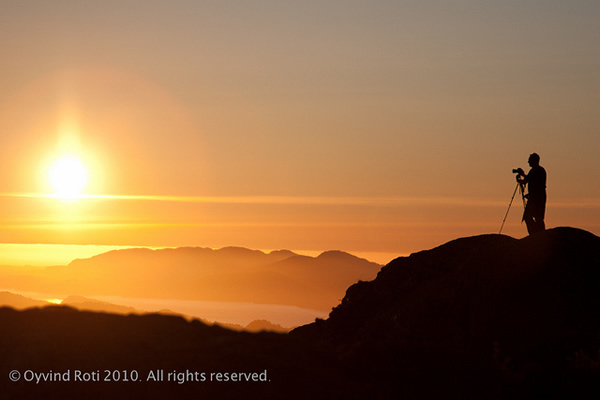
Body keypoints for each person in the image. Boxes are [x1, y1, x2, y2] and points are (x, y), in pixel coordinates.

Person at [516, 153, 547, 234]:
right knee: (538, 217)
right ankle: (539, 233)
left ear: (534, 160)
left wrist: (521, 175)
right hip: (538, 197)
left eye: (530, 160)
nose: (528, 162)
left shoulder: (535, 170)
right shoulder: (540, 170)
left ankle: (535, 233)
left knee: (529, 216)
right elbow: (531, 181)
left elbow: (528, 180)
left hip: (536, 199)